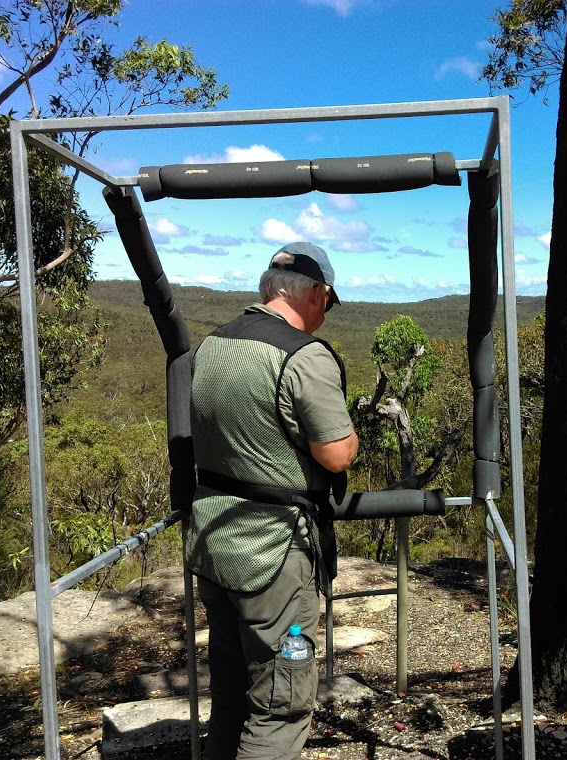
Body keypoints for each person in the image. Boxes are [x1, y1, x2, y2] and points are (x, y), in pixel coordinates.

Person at [185, 242, 358, 760]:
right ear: (314, 292)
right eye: (328, 300)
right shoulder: (305, 357)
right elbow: (335, 454)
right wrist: (353, 441)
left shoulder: (212, 345)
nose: (326, 311)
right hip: (275, 556)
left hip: (214, 543)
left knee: (232, 695)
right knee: (282, 704)